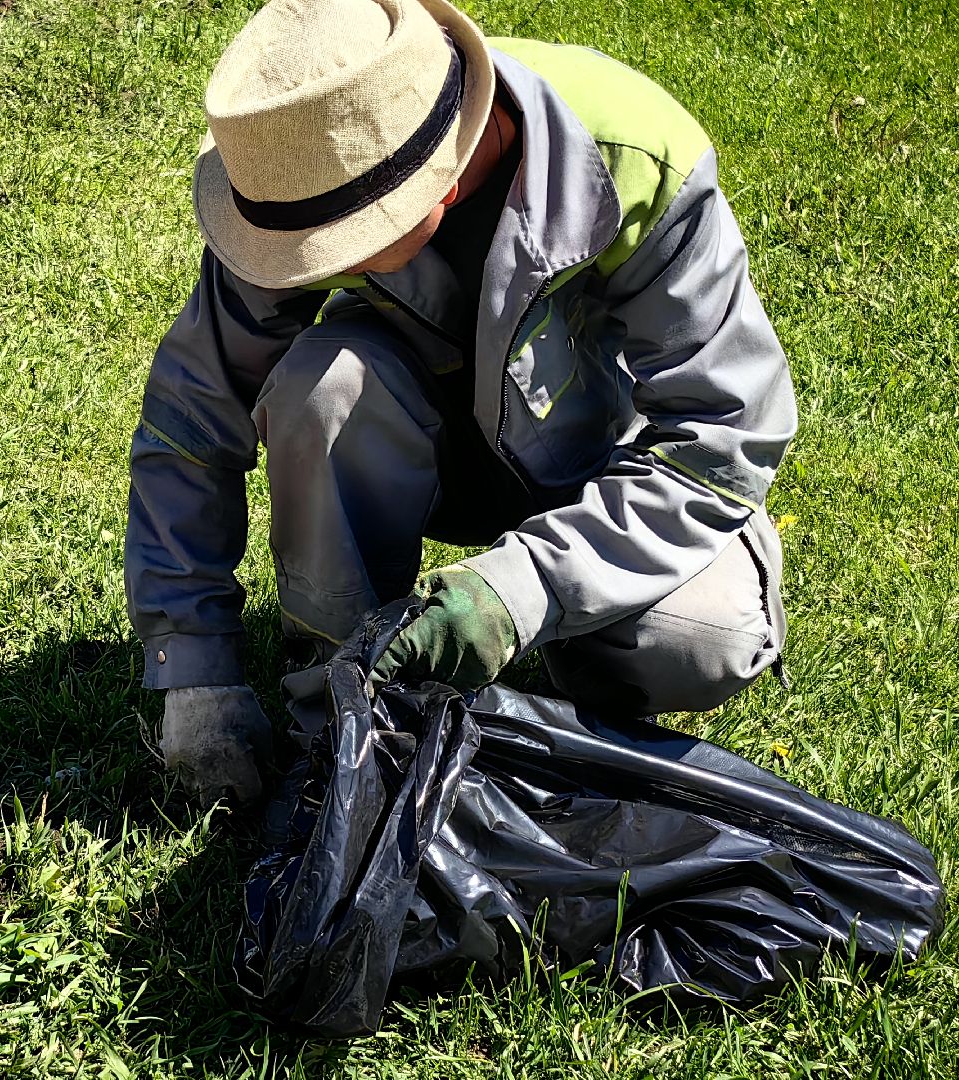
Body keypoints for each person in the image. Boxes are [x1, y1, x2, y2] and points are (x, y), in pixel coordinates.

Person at [124, 0, 795, 805]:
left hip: (611, 467)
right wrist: (193, 668)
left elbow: (721, 438)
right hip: (429, 446)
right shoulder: (300, 162)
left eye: (327, 256)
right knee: (324, 387)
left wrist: (525, 591)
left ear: (431, 190)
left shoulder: (639, 161)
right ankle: (342, 693)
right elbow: (193, 415)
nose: (298, 272)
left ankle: (566, 666)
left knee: (697, 638)